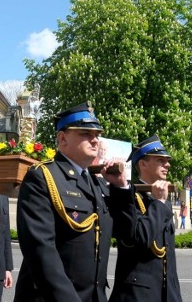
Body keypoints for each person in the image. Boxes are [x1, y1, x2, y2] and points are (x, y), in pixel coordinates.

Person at [14, 101, 130, 302]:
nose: (95, 140)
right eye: (85, 134)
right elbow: (41, 251)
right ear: (62, 138)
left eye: (96, 135)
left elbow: (128, 234)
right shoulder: (43, 177)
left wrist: (121, 188)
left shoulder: (98, 184)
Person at [109, 134, 182, 302]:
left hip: (166, 292)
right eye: (160, 160)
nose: (167, 164)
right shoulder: (129, 198)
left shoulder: (163, 201)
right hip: (138, 295)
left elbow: (168, 258)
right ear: (142, 164)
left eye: (167, 160)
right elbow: (140, 239)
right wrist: (159, 202)